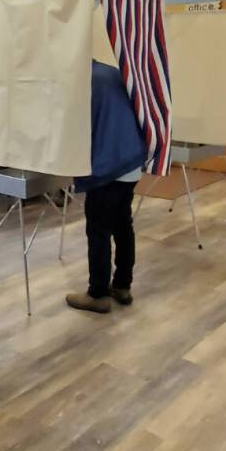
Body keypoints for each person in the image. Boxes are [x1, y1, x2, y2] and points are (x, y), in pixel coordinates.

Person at [66, 60, 146, 314]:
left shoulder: (81, 81)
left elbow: (77, 128)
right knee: (123, 225)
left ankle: (97, 293)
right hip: (131, 160)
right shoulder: (112, 72)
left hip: (109, 164)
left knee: (98, 230)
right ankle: (122, 286)